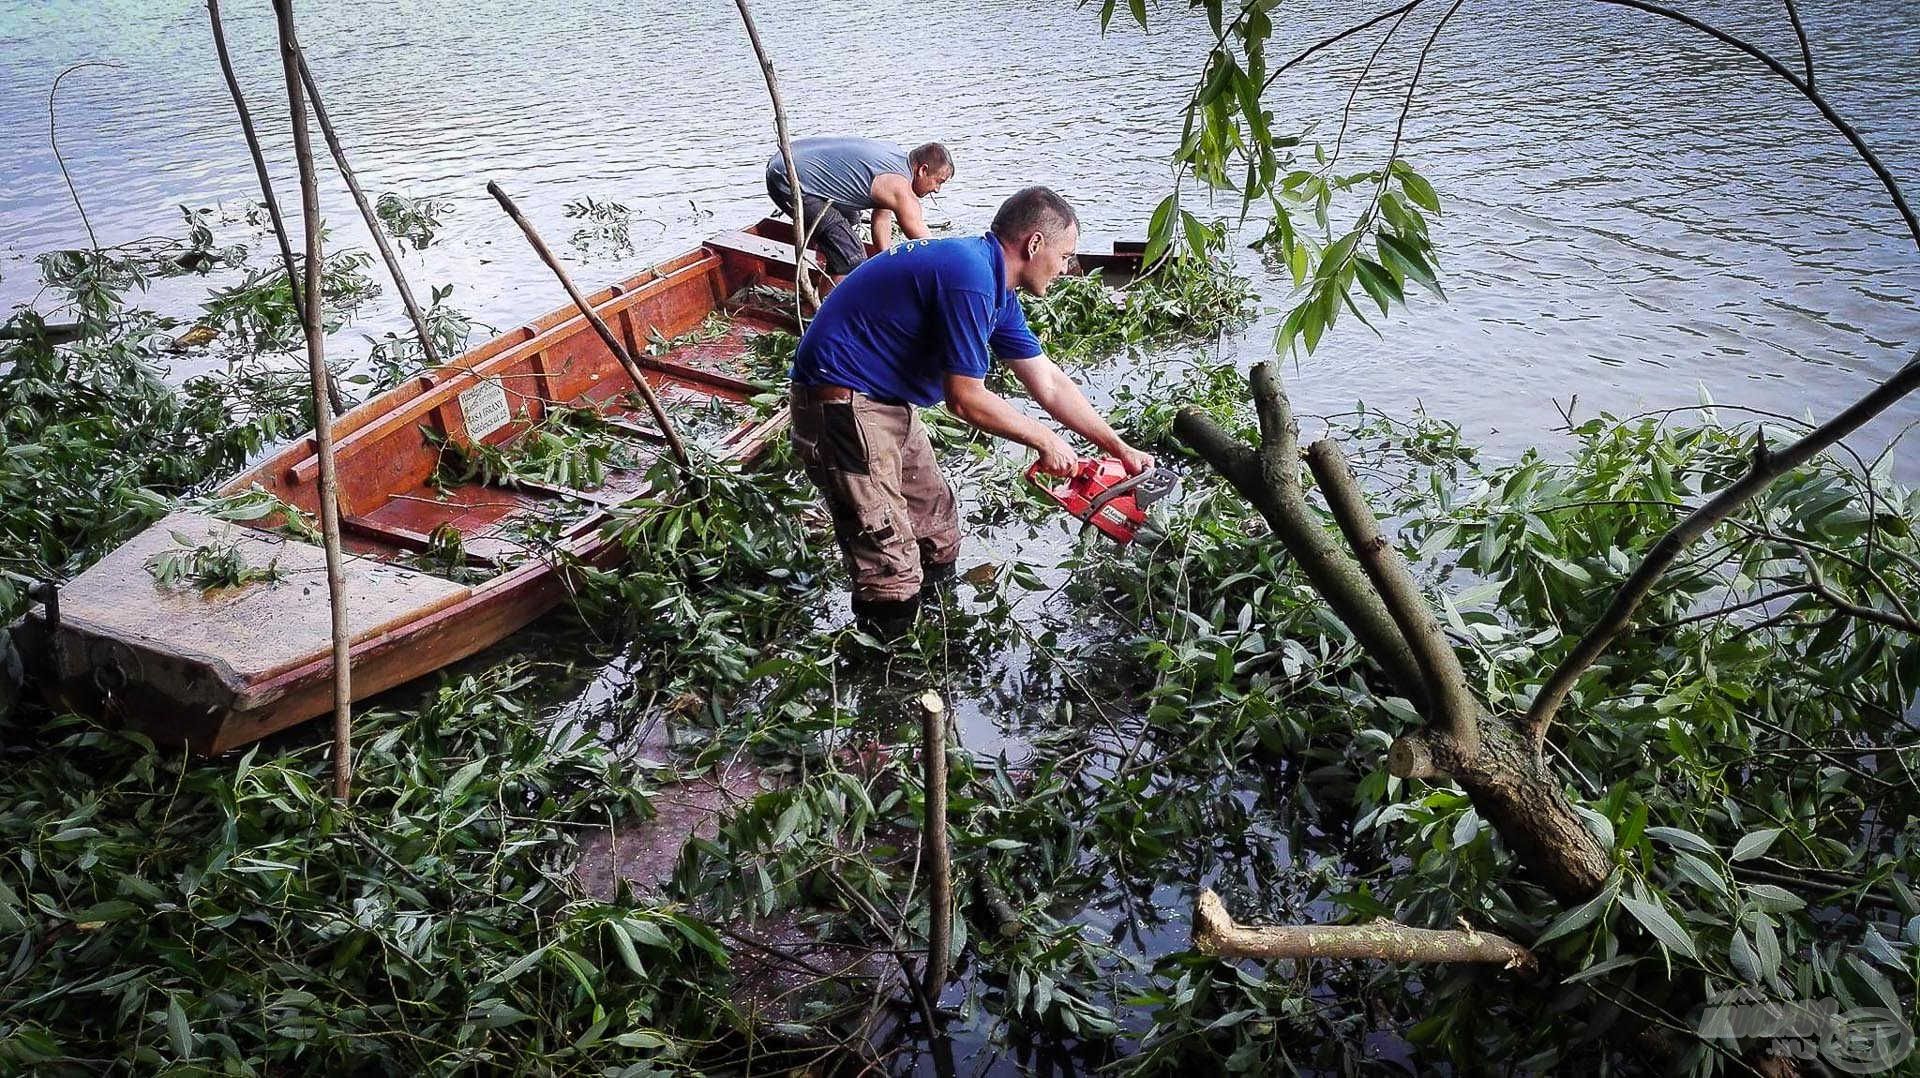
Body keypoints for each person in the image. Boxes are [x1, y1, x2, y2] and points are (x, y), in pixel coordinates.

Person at [788, 186, 1155, 636]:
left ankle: (941, 635)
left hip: (885, 401)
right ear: (1034, 244)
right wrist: (1044, 440)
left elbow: (1049, 382)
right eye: (1065, 256)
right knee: (888, 558)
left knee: (937, 528)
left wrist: (1117, 448)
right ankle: (893, 669)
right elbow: (965, 398)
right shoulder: (970, 277)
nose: (1067, 269)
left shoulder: (998, 290)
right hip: (842, 402)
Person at [764, 137, 953, 275]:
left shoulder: (895, 158)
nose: (937, 190)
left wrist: (885, 262)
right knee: (853, 258)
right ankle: (826, 312)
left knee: (851, 218)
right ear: (923, 170)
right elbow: (929, 245)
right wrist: (955, 265)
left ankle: (828, 261)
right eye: (939, 181)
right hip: (788, 179)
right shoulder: (899, 187)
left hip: (785, 160)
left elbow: (882, 218)